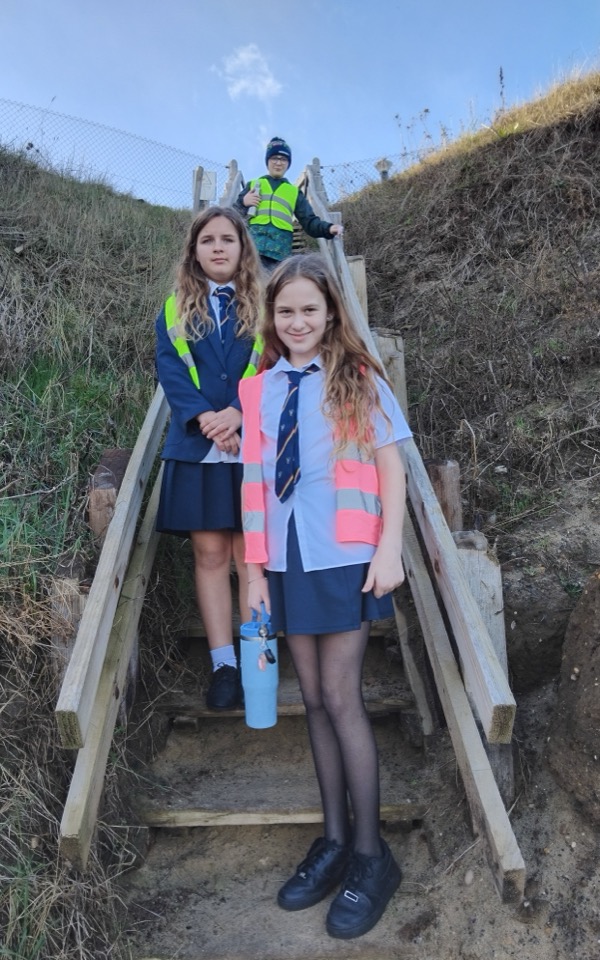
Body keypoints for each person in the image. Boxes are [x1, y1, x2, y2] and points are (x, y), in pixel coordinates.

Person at [239, 253, 412, 939]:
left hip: (343, 554)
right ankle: (335, 840)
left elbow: (391, 465)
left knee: (341, 697)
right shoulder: (259, 387)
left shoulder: (358, 376)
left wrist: (390, 547)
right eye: (285, 310)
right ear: (271, 318)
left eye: (309, 309)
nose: (297, 321)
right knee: (310, 699)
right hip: (284, 556)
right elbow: (253, 480)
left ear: (331, 311)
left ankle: (372, 856)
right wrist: (254, 571)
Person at [155, 205, 263, 711]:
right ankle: (224, 666)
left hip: (251, 444)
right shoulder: (174, 308)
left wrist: (239, 413)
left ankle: (258, 656)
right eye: (207, 240)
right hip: (199, 447)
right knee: (212, 556)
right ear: (194, 251)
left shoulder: (266, 304)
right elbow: (171, 371)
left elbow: (273, 365)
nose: (218, 247)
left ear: (243, 248)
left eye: (227, 239)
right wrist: (206, 420)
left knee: (249, 556)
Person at [235, 136, 344, 272]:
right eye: (274, 158)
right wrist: (243, 202)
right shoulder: (253, 185)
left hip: (280, 254)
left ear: (288, 163)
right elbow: (233, 214)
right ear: (267, 161)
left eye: (283, 159)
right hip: (252, 249)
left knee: (275, 285)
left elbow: (309, 222)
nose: (278, 163)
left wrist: (328, 228)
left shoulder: (294, 192)